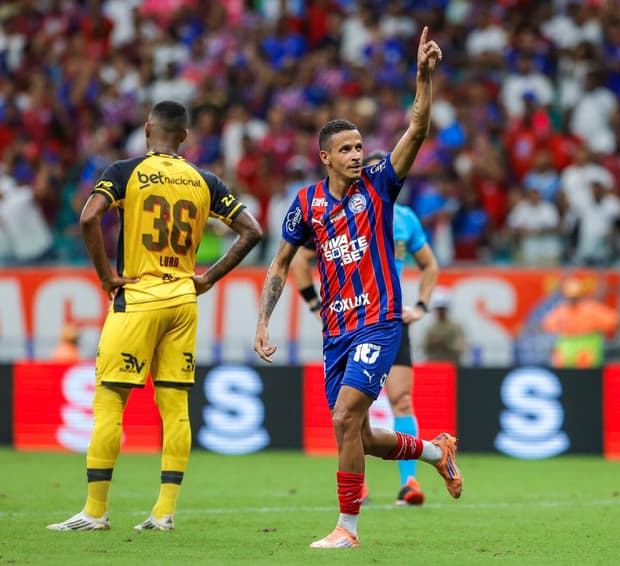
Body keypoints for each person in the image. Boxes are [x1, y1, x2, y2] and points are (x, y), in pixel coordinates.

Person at [254, 28, 461, 550]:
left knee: (346, 416)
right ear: (325, 156)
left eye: (359, 147)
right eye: (344, 149)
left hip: (380, 320)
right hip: (337, 331)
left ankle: (347, 530)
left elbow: (416, 128)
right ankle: (437, 454)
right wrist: (263, 320)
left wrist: (423, 78)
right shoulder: (306, 205)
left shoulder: (379, 185)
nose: (355, 154)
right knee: (361, 436)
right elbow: (281, 262)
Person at [48, 100, 262, 532]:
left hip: (139, 297)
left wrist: (107, 276)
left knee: (110, 401)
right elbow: (252, 230)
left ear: (147, 130)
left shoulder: (125, 171)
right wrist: (209, 278)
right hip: (184, 299)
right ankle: (163, 513)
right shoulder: (206, 180)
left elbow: (90, 217)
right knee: (175, 407)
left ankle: (94, 512)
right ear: (185, 136)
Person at [292, 149, 440, 507]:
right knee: (350, 414)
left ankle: (409, 484)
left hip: (389, 318)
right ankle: (361, 485)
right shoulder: (341, 213)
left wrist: (419, 306)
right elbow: (299, 260)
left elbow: (429, 266)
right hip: (349, 320)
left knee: (400, 399)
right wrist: (316, 306)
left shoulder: (404, 219)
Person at [542, 277, 620, 368]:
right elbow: (546, 326)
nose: (572, 300)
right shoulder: (561, 310)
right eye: (570, 297)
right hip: (566, 357)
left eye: (575, 297)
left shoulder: (591, 310)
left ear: (580, 295)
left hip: (587, 354)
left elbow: (616, 321)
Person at [421, 288, 466, 364]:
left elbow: (460, 348)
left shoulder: (455, 327)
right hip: (435, 366)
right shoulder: (432, 328)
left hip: (452, 366)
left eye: (442, 309)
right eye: (438, 309)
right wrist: (433, 342)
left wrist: (445, 342)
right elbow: (424, 348)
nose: (440, 311)